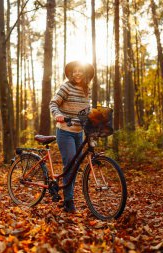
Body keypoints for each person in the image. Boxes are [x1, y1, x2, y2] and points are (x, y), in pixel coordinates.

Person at [49, 61, 94, 213]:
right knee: (70, 163)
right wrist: (58, 115)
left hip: (79, 132)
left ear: (85, 73)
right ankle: (69, 201)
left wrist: (93, 119)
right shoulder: (66, 87)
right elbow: (53, 103)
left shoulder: (87, 90)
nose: (77, 74)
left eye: (80, 71)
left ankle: (67, 196)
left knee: (75, 166)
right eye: (74, 71)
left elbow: (88, 110)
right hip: (65, 131)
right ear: (70, 73)